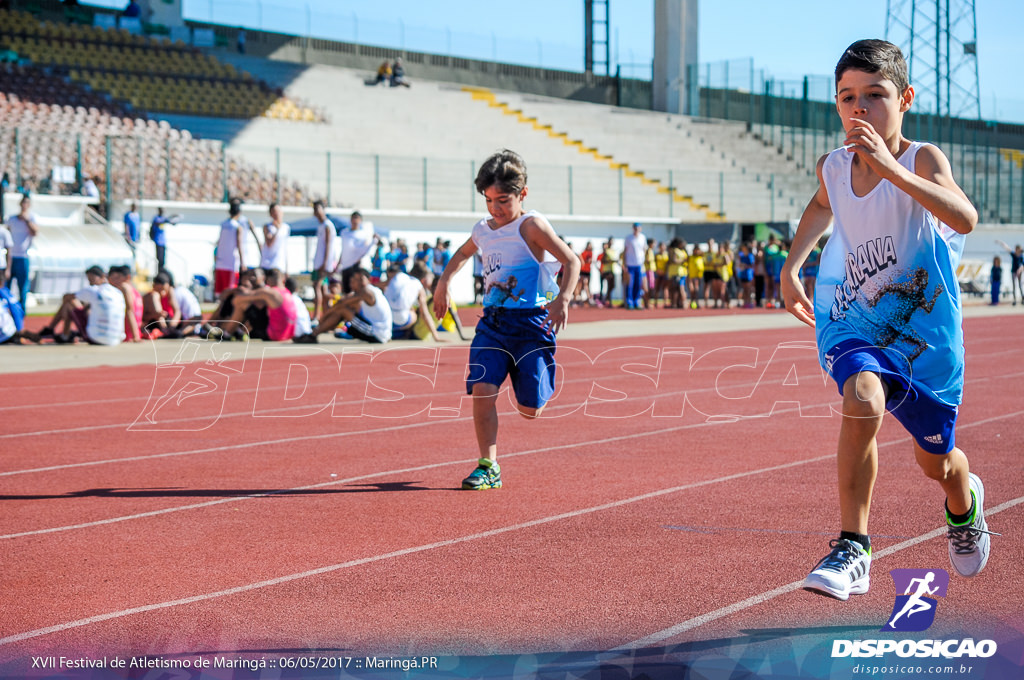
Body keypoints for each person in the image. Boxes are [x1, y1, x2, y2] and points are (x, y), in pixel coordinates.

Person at [780, 39, 993, 601]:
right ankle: (854, 548)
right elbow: (824, 203)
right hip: (853, 317)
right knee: (864, 396)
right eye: (848, 98)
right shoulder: (832, 165)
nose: (860, 110)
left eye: (875, 96)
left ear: (905, 99)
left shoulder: (923, 159)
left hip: (926, 337)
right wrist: (791, 265)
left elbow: (965, 217)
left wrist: (889, 168)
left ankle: (963, 502)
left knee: (937, 463)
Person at [432, 149, 580, 490]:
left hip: (531, 326)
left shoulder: (531, 226)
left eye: (503, 200)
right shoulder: (484, 230)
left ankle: (525, 382)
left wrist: (563, 299)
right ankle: (489, 465)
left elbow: (571, 261)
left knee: (530, 410)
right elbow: (462, 254)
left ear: (522, 193)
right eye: (488, 200)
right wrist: (443, 283)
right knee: (482, 390)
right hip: (493, 325)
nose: (495, 209)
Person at [293, 268, 392, 344]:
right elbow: (344, 302)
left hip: (378, 334)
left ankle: (313, 334)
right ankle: (314, 333)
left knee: (343, 310)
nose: (353, 283)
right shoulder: (370, 292)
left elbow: (341, 304)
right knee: (342, 310)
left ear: (364, 280)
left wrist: (323, 319)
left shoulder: (366, 292)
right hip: (381, 333)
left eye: (356, 280)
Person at [36, 265, 126, 345]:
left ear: (103, 277)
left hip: (96, 338)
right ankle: (62, 333)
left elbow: (67, 297)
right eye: (89, 281)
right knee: (71, 304)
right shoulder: (117, 292)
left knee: (68, 304)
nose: (91, 283)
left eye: (92, 280)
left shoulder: (93, 290)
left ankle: (60, 332)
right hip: (116, 339)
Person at [223, 268, 297, 342]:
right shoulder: (287, 293)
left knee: (242, 304)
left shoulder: (269, 292)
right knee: (258, 308)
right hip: (288, 335)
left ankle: (227, 334)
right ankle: (239, 331)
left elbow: (238, 299)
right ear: (283, 280)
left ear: (266, 280)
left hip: (273, 336)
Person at [386, 262, 443, 341]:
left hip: (386, 315)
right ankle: (402, 333)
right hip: (399, 320)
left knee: (408, 308)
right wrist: (436, 337)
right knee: (414, 315)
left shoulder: (399, 276)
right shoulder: (419, 287)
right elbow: (424, 313)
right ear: (423, 280)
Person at [5, 195, 38, 310]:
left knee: (23, 288)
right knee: (6, 287)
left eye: (27, 203)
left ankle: (22, 314)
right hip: (11, 257)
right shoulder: (12, 219)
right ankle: (6, 313)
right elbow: (7, 234)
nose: (24, 205)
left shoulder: (32, 218)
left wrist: (27, 220)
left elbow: (35, 232)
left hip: (23, 257)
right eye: (23, 203)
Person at [310, 200, 336, 322]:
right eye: (314, 209)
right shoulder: (321, 226)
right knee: (324, 291)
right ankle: (327, 317)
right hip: (319, 263)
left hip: (322, 264)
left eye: (318, 209)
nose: (316, 212)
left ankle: (316, 317)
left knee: (317, 288)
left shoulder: (327, 225)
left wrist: (325, 263)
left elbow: (328, 245)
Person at [339, 210, 377, 293]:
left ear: (360, 221)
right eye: (353, 218)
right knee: (346, 291)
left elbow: (365, 249)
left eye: (357, 218)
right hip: (345, 266)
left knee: (355, 291)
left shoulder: (363, 234)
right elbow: (343, 250)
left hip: (355, 266)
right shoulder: (344, 232)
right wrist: (339, 263)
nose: (355, 221)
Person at [214, 202, 247, 296]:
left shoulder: (223, 224)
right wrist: (243, 262)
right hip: (231, 263)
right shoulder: (237, 227)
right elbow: (239, 245)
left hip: (220, 262)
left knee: (220, 292)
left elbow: (219, 243)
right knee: (231, 290)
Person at [107, 265, 143, 343]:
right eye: (111, 278)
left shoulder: (124, 287)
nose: (113, 281)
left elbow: (129, 311)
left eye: (117, 278)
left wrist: (135, 336)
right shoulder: (135, 290)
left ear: (127, 277)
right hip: (134, 332)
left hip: (128, 335)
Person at [149, 207, 181, 274]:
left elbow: (170, 221)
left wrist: (175, 217)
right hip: (158, 241)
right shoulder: (156, 218)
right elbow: (159, 222)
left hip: (163, 242)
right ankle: (158, 272)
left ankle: (162, 271)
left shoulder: (164, 218)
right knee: (159, 259)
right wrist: (167, 220)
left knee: (163, 259)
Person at [261, 203, 290, 274]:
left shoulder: (286, 227)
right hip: (267, 264)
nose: (277, 214)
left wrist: (287, 267)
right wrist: (277, 230)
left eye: (279, 211)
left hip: (280, 265)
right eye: (274, 212)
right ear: (270, 214)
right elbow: (269, 243)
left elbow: (285, 248)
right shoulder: (267, 227)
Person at [622, 223, 645, 309]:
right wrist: (624, 264)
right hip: (630, 264)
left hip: (639, 264)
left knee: (638, 284)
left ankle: (637, 301)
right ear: (633, 229)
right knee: (630, 284)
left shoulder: (642, 238)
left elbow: (644, 250)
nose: (636, 230)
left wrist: (643, 262)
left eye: (638, 228)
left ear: (640, 229)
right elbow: (625, 251)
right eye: (635, 228)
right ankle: (629, 302)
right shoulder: (628, 238)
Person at [995, 240, 1023, 305]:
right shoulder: (1013, 254)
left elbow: (1023, 265)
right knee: (1014, 286)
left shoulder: (1021, 256)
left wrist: (1020, 270)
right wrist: (1001, 242)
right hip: (1013, 271)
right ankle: (1014, 300)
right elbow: (1007, 248)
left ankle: (1022, 298)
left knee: (1020, 285)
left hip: (1019, 272)